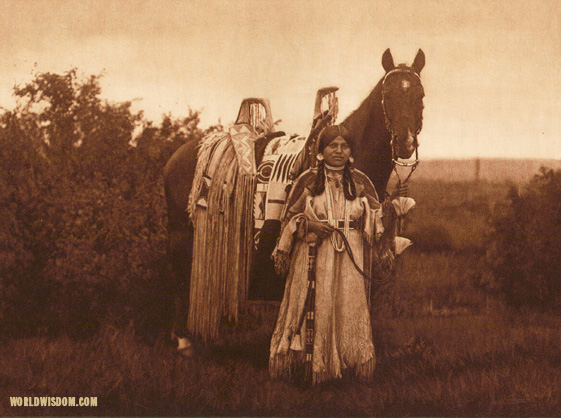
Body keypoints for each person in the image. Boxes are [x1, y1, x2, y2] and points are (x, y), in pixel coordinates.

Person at [269, 124, 384, 385]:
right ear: (321, 151)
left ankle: (352, 362)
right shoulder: (309, 180)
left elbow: (378, 219)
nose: (339, 151)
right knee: (315, 303)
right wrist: (309, 225)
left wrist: (395, 212)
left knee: (348, 304)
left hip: (350, 255)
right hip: (314, 253)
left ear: (351, 152)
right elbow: (290, 218)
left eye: (344, 146)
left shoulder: (360, 182)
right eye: (333, 146)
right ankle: (310, 367)